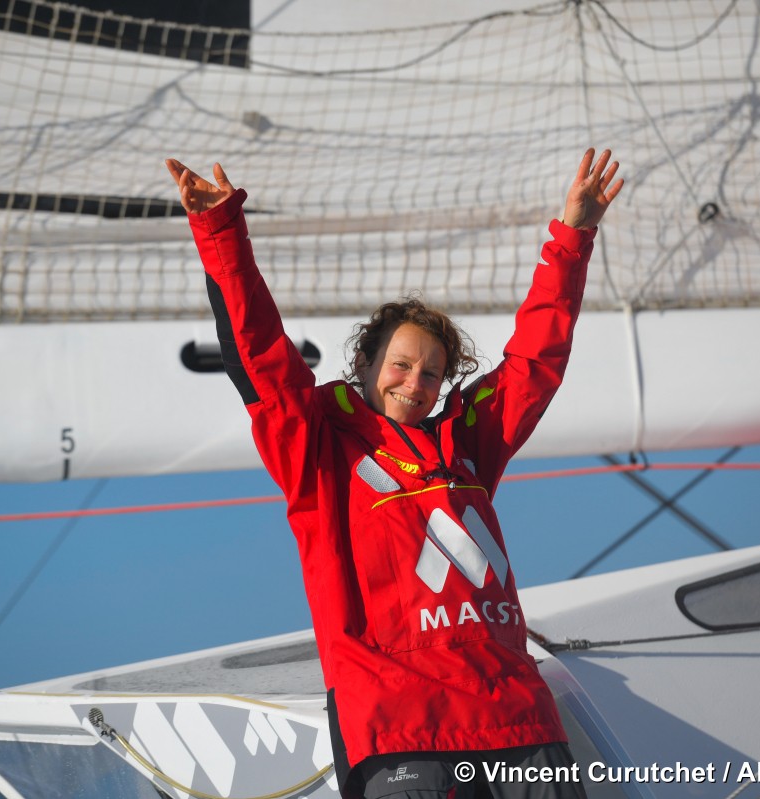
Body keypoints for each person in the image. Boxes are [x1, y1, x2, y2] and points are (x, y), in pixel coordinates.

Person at [165, 150, 622, 799]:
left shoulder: (470, 438)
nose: (416, 383)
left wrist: (573, 235)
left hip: (516, 716)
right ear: (366, 361)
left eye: (432, 372)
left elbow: (536, 359)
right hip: (397, 727)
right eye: (402, 365)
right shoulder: (320, 445)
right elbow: (262, 358)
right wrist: (220, 233)